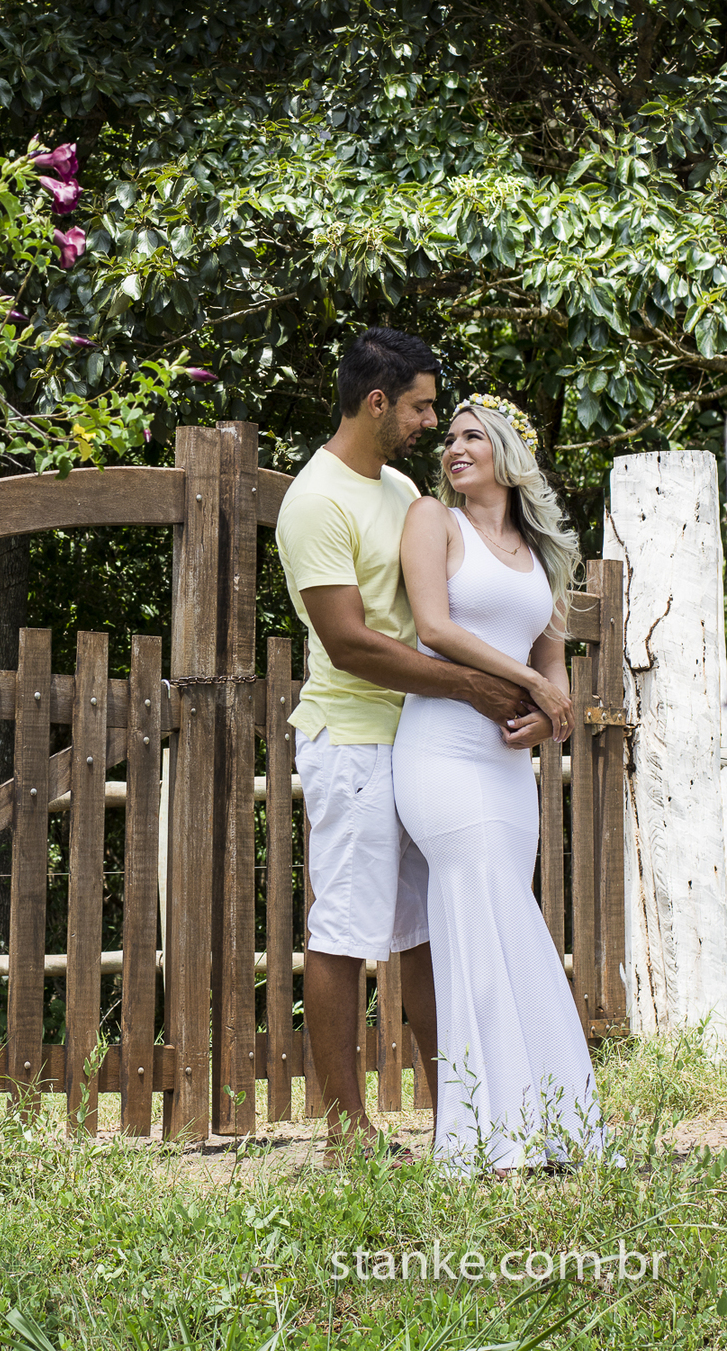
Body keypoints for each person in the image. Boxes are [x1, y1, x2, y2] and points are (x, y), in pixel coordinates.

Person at [275, 331, 548, 1159]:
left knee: (428, 932)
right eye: (425, 406)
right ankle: (345, 1134)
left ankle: (455, 1118)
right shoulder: (316, 501)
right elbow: (352, 644)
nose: (433, 421)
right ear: (377, 403)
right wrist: (471, 687)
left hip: (422, 744)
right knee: (346, 930)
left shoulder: (396, 488)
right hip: (353, 739)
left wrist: (529, 694)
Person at [392, 397, 606, 1172]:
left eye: (470, 436)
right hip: (441, 751)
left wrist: (554, 713)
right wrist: (532, 685)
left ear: (510, 452)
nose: (452, 447)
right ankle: (491, 1135)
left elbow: (552, 662)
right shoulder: (431, 521)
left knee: (500, 922)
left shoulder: (543, 555)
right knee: (480, 912)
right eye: (447, 437)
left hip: (510, 765)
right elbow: (438, 629)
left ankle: (545, 1124)